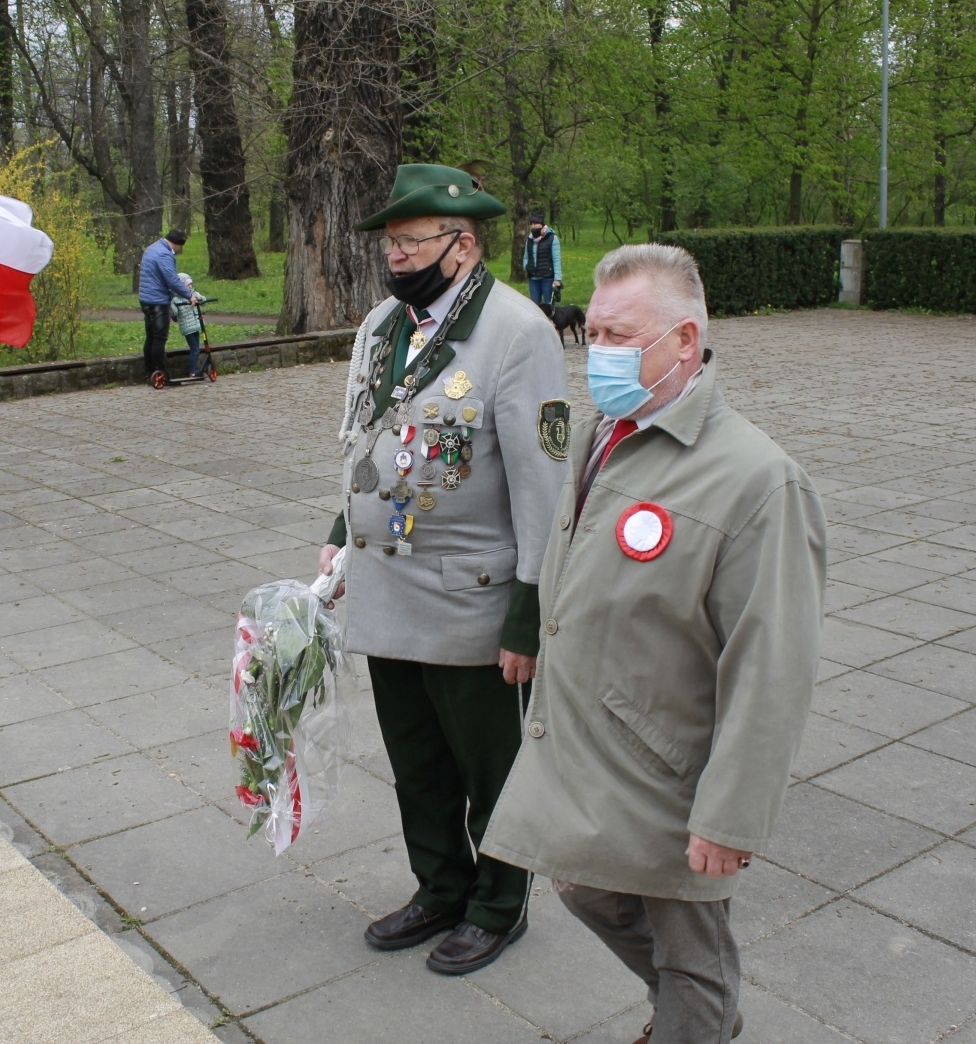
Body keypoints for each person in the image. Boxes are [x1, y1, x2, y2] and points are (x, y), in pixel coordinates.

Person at [482, 243, 827, 1043]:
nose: (596, 352)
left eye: (619, 337)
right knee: (582, 886)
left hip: (675, 769)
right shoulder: (608, 429)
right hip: (593, 744)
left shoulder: (757, 480)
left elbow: (772, 664)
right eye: (593, 332)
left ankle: (693, 1018)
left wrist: (732, 815)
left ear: (684, 340)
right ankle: (693, 1011)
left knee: (690, 957)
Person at [318, 163, 568, 975]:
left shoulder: (517, 330)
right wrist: (339, 527)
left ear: (461, 245)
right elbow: (367, 439)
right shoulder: (381, 325)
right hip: (388, 584)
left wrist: (530, 615)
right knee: (417, 763)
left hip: (474, 599)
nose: (394, 254)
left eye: (411, 240)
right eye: (390, 240)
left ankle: (499, 904)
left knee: (488, 769)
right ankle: (439, 885)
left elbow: (543, 485)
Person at [138, 228, 199, 380]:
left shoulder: (152, 248)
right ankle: (159, 372)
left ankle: (149, 372)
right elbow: (172, 280)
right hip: (157, 301)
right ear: (177, 244)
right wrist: (189, 295)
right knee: (159, 337)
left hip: (145, 299)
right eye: (180, 247)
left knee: (150, 337)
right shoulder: (164, 254)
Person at [522, 213, 562, 308]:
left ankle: (551, 322)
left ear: (542, 224)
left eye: (536, 223)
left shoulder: (552, 238)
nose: (533, 226)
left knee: (549, 306)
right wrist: (526, 267)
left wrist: (557, 279)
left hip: (547, 278)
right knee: (535, 307)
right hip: (533, 278)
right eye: (531, 223)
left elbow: (556, 259)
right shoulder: (529, 239)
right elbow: (526, 257)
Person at [172, 273, 204, 378]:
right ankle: (193, 371)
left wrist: (200, 298)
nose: (190, 287)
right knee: (194, 349)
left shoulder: (192, 294)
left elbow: (203, 300)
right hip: (187, 327)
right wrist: (172, 306)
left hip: (196, 325)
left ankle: (194, 369)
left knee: (197, 349)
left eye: (191, 284)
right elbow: (174, 313)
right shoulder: (176, 299)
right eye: (187, 285)